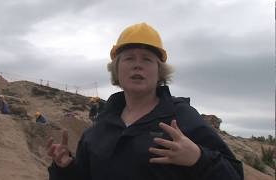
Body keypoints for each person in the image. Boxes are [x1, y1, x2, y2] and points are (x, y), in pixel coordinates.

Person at [46, 23, 244, 180]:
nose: (137, 65)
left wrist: (199, 158)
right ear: (117, 69)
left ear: (159, 72)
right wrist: (65, 169)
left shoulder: (181, 117)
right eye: (129, 58)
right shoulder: (99, 128)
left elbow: (234, 175)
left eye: (147, 59)